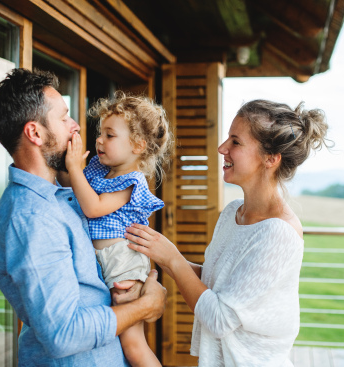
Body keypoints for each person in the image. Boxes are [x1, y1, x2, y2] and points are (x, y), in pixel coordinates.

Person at [125, 99, 332, 366]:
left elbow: (220, 318)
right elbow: (216, 283)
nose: (222, 148)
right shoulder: (233, 213)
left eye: (236, 142)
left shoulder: (278, 233)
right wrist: (154, 256)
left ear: (270, 158)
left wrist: (173, 260)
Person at [0, 68, 166, 366]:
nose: (76, 126)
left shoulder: (59, 194)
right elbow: (63, 334)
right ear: (35, 133)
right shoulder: (33, 218)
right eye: (64, 117)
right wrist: (146, 305)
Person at [61, 91, 172, 367]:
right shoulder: (100, 169)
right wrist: (68, 161)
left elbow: (93, 207)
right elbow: (72, 183)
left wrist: (74, 168)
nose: (99, 140)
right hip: (106, 259)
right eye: (101, 133)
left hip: (122, 261)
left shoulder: (130, 181)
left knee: (133, 344)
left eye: (110, 135)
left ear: (137, 145)